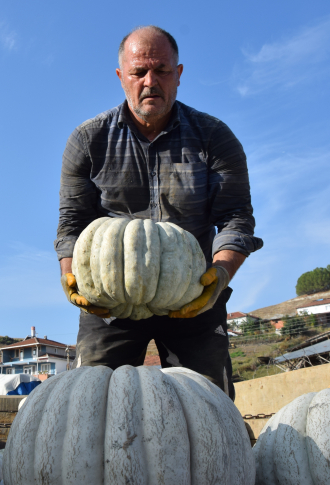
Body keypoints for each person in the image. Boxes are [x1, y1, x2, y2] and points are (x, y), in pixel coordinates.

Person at [54, 25, 263, 400]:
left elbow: (236, 218)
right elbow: (71, 223)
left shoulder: (215, 138)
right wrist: (70, 276)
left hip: (191, 295)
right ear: (121, 78)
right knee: (91, 405)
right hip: (109, 301)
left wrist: (220, 275)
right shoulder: (87, 140)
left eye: (162, 70)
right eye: (138, 72)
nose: (150, 81)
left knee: (210, 406)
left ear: (178, 74)